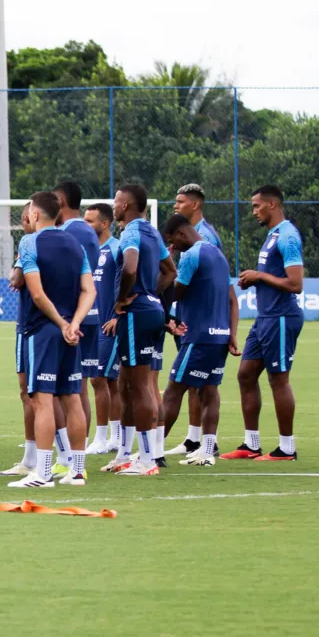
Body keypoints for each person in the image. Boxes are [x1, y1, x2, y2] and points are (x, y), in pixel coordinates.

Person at [8, 192, 95, 488]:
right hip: (71, 332)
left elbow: (36, 293)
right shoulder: (75, 243)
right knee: (72, 398)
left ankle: (43, 474)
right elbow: (89, 291)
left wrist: (60, 323)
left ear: (33, 213)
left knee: (41, 400)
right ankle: (78, 471)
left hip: (42, 331)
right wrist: (74, 324)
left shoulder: (30, 242)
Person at [222, 185, 304, 461]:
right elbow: (272, 277)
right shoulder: (272, 235)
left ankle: (286, 448)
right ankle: (251, 444)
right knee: (245, 374)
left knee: (278, 380)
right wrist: (254, 280)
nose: (254, 211)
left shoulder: (288, 236)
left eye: (257, 206)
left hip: (281, 318)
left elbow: (295, 284)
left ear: (272, 204)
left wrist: (260, 276)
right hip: (265, 318)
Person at [103, 184, 177, 476]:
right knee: (125, 384)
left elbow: (130, 267)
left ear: (128, 205)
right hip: (150, 310)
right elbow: (170, 270)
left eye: (117, 201)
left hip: (136, 314)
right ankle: (124, 454)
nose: (114, 204)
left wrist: (123, 299)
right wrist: (152, 295)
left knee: (139, 386)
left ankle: (147, 459)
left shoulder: (132, 231)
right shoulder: (152, 232)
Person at [160, 214, 240, 465]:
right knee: (209, 390)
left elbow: (176, 292)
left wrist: (166, 265)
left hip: (198, 336)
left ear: (182, 234)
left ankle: (152, 451)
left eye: (173, 241)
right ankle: (206, 450)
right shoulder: (217, 254)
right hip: (219, 336)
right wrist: (232, 334)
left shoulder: (192, 254)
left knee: (173, 391)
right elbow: (230, 299)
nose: (173, 246)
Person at [166, 183, 222, 457]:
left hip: (199, 325)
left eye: (180, 201)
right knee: (193, 381)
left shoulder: (205, 240)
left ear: (195, 205)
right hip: (189, 318)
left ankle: (203, 442)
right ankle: (193, 438)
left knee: (197, 382)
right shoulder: (189, 240)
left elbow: (198, 283)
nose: (175, 205)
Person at [53, 181, 102, 476]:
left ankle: (71, 457)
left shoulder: (69, 231)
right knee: (79, 387)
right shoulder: (85, 229)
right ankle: (75, 456)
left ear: (60, 201)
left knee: (69, 389)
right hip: (90, 313)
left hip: (73, 317)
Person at [0, 203, 39, 476]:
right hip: (61, 324)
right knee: (66, 394)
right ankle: (69, 458)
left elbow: (15, 279)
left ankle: (33, 460)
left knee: (31, 393)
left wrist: (19, 267)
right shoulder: (67, 241)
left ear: (28, 217)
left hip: (31, 327)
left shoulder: (29, 243)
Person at [83, 203, 122, 456]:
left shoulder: (117, 249)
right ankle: (116, 437)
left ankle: (101, 437)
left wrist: (119, 315)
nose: (85, 225)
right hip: (90, 324)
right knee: (108, 381)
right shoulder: (87, 250)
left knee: (100, 379)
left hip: (109, 324)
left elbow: (129, 281)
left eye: (90, 221)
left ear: (104, 223)